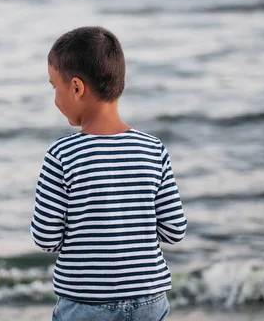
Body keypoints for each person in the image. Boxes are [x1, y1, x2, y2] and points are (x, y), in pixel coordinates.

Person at [30, 26, 187, 321]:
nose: (55, 98)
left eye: (55, 87)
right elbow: (174, 230)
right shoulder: (153, 149)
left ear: (76, 88)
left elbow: (45, 237)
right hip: (149, 299)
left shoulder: (62, 155)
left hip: (86, 302)